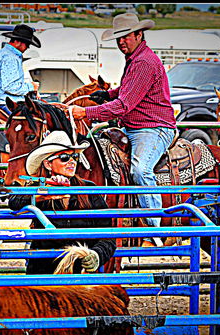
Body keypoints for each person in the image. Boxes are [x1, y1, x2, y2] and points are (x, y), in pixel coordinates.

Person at [69, 13, 177, 246]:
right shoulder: (135, 59)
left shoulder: (144, 62)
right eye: (118, 38)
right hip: (136, 126)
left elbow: (125, 105)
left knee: (140, 169)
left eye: (126, 37)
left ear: (139, 35)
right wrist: (107, 94)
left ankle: (153, 225)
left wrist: (86, 113)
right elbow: (126, 91)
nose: (121, 42)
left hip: (153, 127)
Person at [8, 131, 117, 274]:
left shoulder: (89, 190)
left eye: (75, 157)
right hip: (44, 269)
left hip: (80, 269)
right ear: (48, 164)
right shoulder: (38, 188)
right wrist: (43, 194)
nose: (72, 161)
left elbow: (107, 236)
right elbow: (14, 202)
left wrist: (96, 255)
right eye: (65, 157)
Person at [0, 24, 41, 114]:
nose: (27, 48)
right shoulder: (11, 57)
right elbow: (10, 86)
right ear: (20, 42)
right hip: (7, 103)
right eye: (27, 44)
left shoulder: (0, 54)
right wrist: (31, 87)